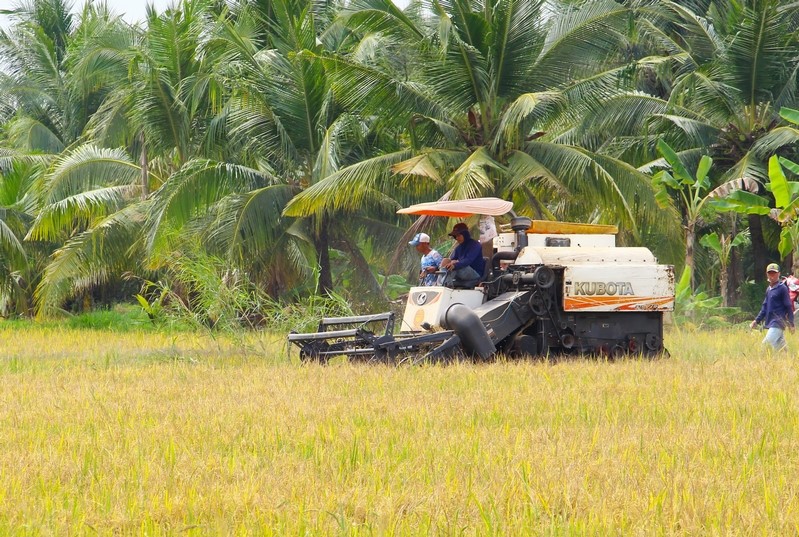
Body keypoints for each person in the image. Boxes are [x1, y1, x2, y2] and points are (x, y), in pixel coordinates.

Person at [750, 263, 795, 351]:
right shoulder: (769, 289)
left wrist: (791, 324)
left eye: (774, 273)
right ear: (767, 274)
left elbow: (788, 305)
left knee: (765, 346)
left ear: (778, 274)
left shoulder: (782, 288)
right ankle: (789, 362)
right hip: (771, 322)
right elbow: (764, 307)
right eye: (770, 273)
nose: (772, 276)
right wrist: (757, 320)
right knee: (782, 351)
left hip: (778, 322)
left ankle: (762, 363)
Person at [441, 223, 485, 288]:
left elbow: (468, 260)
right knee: (446, 261)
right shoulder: (458, 248)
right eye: (455, 236)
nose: (457, 238)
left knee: (455, 267)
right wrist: (437, 268)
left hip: (475, 273)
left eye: (458, 235)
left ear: (465, 234)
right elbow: (451, 261)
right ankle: (439, 284)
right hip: (461, 270)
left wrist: (455, 265)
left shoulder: (475, 245)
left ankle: (446, 286)